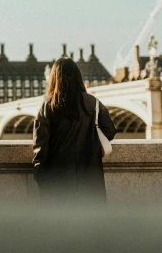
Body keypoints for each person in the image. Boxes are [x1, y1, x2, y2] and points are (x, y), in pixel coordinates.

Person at [32, 57, 117, 201]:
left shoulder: (47, 106)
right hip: (90, 178)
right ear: (78, 77)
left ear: (54, 78)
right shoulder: (93, 103)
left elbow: (40, 146)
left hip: (58, 180)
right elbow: (110, 129)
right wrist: (90, 145)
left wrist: (40, 177)